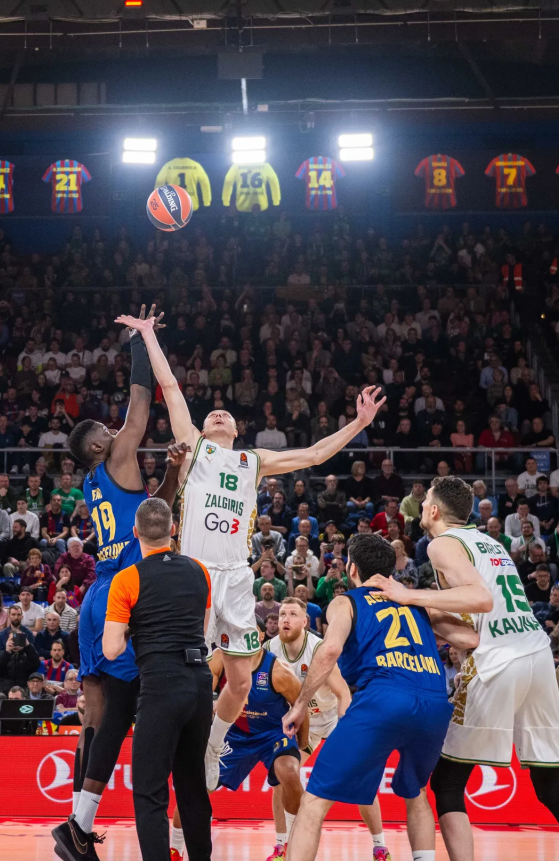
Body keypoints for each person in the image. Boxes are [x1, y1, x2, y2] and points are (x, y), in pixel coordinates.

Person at [123, 309, 388, 791]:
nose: (219, 412)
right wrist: (147, 337)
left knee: (242, 681)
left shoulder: (253, 460)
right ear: (204, 429)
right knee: (196, 675)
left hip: (239, 576)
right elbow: (171, 388)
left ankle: (212, 742)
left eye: (226, 414)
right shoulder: (197, 448)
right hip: (197, 574)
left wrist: (358, 423)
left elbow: (312, 455)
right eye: (212, 414)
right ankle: (176, 744)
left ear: (237, 431)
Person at [375, 476, 559, 861]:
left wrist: (405, 595)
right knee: (552, 787)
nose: (421, 508)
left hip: (498, 663)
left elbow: (480, 599)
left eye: (425, 502)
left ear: (434, 511)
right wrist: (429, 613)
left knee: (448, 784)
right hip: (535, 656)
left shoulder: (441, 545)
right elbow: (472, 621)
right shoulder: (488, 543)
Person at [262, 533, 477, 861]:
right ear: (393, 569)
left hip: (383, 697)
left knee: (314, 804)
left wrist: (298, 705)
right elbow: (470, 638)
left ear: (352, 569)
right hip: (432, 701)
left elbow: (328, 652)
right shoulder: (416, 601)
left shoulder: (347, 600)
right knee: (416, 796)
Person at [53, 312, 188, 861]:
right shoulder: (115, 454)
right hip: (124, 592)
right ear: (99, 446)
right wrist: (140, 342)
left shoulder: (94, 483)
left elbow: (151, 512)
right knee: (128, 706)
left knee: (98, 712)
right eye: (107, 432)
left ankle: (80, 822)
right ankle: (80, 826)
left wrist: (175, 475)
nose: (118, 430)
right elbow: (141, 405)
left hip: (96, 595)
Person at [98, 498, 217, 861]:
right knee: (192, 790)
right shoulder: (199, 570)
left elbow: (112, 649)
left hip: (161, 682)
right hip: (199, 683)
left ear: (134, 533)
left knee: (149, 792)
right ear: (174, 529)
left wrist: (135, 623)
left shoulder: (127, 579)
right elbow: (201, 630)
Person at [265, 599, 393, 861]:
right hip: (303, 724)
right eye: (282, 614)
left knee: (362, 782)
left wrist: (347, 730)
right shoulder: (270, 650)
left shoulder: (319, 649)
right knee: (282, 775)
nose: (285, 619)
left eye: (293, 614)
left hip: (332, 718)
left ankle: (380, 849)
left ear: (305, 621)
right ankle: (282, 847)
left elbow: (343, 694)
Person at [205, 644, 307, 861]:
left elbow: (300, 706)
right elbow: (205, 692)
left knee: (289, 773)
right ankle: (176, 850)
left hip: (272, 733)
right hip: (234, 734)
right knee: (198, 784)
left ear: (259, 637)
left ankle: (294, 846)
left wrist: (301, 743)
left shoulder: (278, 671)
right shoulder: (221, 657)